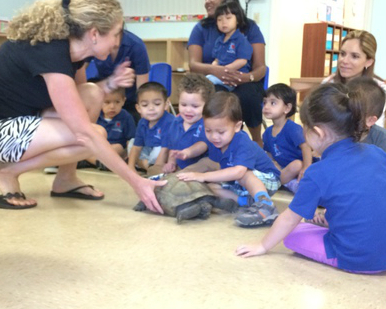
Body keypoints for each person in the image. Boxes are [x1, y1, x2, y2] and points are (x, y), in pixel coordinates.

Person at [0, 0, 165, 212]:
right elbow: (84, 132)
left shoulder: (73, 52)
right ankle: (8, 172)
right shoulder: (50, 51)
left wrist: (110, 84)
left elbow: (80, 103)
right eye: (116, 34)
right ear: (94, 34)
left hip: (22, 120)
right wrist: (137, 182)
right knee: (93, 135)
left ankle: (66, 179)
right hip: (4, 129)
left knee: (93, 93)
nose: (117, 42)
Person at [236, 83, 386, 274]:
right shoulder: (376, 152)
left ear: (318, 133)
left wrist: (262, 246)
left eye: (304, 129)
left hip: (356, 258)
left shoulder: (317, 172)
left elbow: (290, 219)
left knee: (293, 234)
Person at [177, 92, 281, 227]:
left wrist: (202, 175)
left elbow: (238, 172)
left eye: (221, 132)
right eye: (208, 130)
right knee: (210, 186)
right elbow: (202, 146)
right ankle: (243, 202)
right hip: (241, 183)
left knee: (243, 174)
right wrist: (188, 152)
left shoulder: (243, 142)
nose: (214, 137)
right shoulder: (216, 141)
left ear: (237, 126)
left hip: (268, 180)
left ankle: (266, 206)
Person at [188, 0, 267, 146]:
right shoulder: (202, 28)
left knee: (247, 95)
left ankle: (257, 140)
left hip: (245, 80)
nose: (207, 2)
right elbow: (193, 64)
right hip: (216, 80)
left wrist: (246, 77)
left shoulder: (249, 28)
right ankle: (217, 143)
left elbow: (260, 67)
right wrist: (215, 70)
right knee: (217, 97)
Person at [323, 30, 386, 128]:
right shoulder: (328, 83)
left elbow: (376, 131)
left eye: (354, 56)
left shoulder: (380, 89)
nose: (344, 60)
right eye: (342, 54)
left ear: (368, 62)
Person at [87, 26, 151, 123]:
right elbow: (80, 80)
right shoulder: (92, 42)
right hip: (102, 99)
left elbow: (142, 90)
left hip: (129, 102)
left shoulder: (136, 45)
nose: (115, 44)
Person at [262, 83, 312, 193]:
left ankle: (278, 183)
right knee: (270, 164)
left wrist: (306, 168)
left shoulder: (292, 128)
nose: (266, 107)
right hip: (284, 168)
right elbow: (270, 154)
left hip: (299, 168)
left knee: (297, 165)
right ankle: (287, 183)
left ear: (287, 108)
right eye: (265, 102)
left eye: (273, 103)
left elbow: (306, 147)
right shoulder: (267, 133)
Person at [161, 73, 215, 174]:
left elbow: (203, 145)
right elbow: (173, 147)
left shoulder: (207, 124)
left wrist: (188, 152)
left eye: (195, 106)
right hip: (182, 167)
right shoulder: (175, 123)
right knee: (157, 171)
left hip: (202, 169)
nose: (188, 110)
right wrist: (171, 162)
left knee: (204, 164)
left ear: (207, 105)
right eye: (183, 104)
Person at [78, 87, 136, 170]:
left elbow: (130, 140)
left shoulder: (126, 117)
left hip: (114, 150)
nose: (112, 106)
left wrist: (129, 158)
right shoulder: (95, 114)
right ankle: (98, 162)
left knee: (118, 148)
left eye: (117, 102)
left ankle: (92, 161)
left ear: (123, 101)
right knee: (82, 148)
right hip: (97, 148)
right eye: (107, 102)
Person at [128, 82, 174, 175]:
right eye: (145, 105)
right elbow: (137, 146)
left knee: (158, 151)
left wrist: (156, 170)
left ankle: (148, 166)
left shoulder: (170, 121)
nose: (151, 108)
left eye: (157, 104)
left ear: (165, 105)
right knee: (131, 143)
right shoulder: (142, 122)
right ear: (138, 108)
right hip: (148, 150)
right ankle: (147, 166)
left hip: (163, 153)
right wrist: (130, 167)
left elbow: (165, 149)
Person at [206, 2, 253, 91]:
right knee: (206, 80)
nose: (224, 22)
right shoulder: (219, 41)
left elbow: (242, 61)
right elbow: (216, 60)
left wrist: (225, 70)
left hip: (234, 78)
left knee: (208, 81)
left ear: (238, 20)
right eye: (219, 20)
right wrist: (214, 68)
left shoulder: (241, 39)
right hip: (221, 75)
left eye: (228, 18)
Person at [347, 77, 386, 152]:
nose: (345, 116)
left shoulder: (381, 139)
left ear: (370, 120)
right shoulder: (336, 132)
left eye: (353, 113)